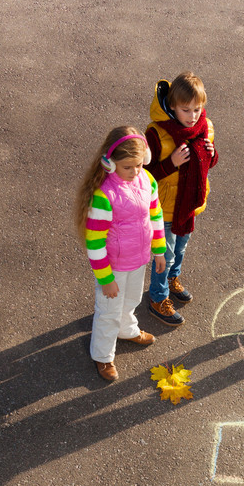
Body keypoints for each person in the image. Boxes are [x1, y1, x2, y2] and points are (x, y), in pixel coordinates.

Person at [77, 127, 166, 382]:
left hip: (138, 259)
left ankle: (127, 330)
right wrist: (106, 279)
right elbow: (94, 244)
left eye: (139, 164)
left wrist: (159, 250)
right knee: (108, 311)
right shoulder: (104, 195)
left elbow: (156, 215)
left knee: (131, 301)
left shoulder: (147, 180)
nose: (135, 171)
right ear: (109, 163)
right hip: (114, 266)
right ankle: (103, 355)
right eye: (128, 167)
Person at [145, 72, 219, 326]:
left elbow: (207, 163)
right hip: (163, 209)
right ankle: (158, 297)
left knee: (180, 249)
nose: (193, 116)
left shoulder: (205, 128)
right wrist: (171, 164)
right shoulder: (156, 134)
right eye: (186, 110)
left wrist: (212, 154)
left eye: (197, 109)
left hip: (188, 204)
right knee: (163, 256)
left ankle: (171, 280)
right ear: (172, 107)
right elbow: (142, 175)